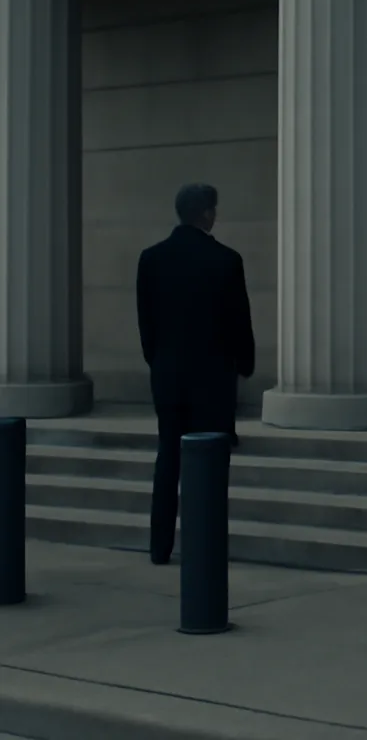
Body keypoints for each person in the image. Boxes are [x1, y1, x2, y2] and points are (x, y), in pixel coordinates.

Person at [136, 183, 255, 565]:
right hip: (213, 379)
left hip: (169, 376)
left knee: (168, 457)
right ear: (205, 213)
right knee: (210, 464)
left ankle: (160, 546)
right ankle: (204, 545)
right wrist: (244, 363)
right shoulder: (225, 260)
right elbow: (240, 321)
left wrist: (159, 363)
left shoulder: (151, 259)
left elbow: (147, 326)